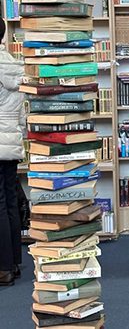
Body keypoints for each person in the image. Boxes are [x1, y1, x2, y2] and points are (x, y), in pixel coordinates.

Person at [0, 18, 25, 286]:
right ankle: (14, 262)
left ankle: (3, 268)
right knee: (9, 202)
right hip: (11, 141)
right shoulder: (13, 64)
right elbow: (20, 114)